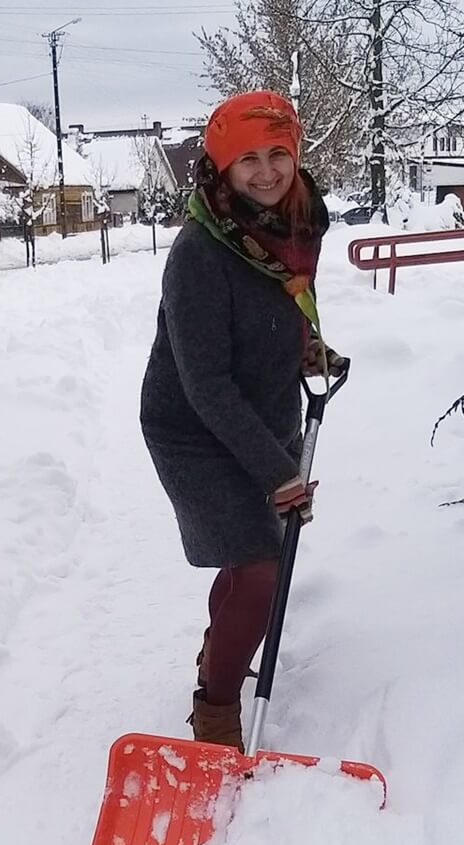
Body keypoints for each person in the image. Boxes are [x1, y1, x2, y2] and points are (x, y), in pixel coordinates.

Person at [139, 90, 347, 752]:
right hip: (195, 430)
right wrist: (280, 473)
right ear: (220, 168)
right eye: (247, 159)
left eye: (277, 154)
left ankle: (216, 653)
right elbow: (205, 381)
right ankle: (217, 711)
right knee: (261, 568)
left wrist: (305, 348)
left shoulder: (294, 225)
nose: (265, 172)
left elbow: (275, 310)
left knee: (246, 559)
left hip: (264, 412)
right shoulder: (200, 252)